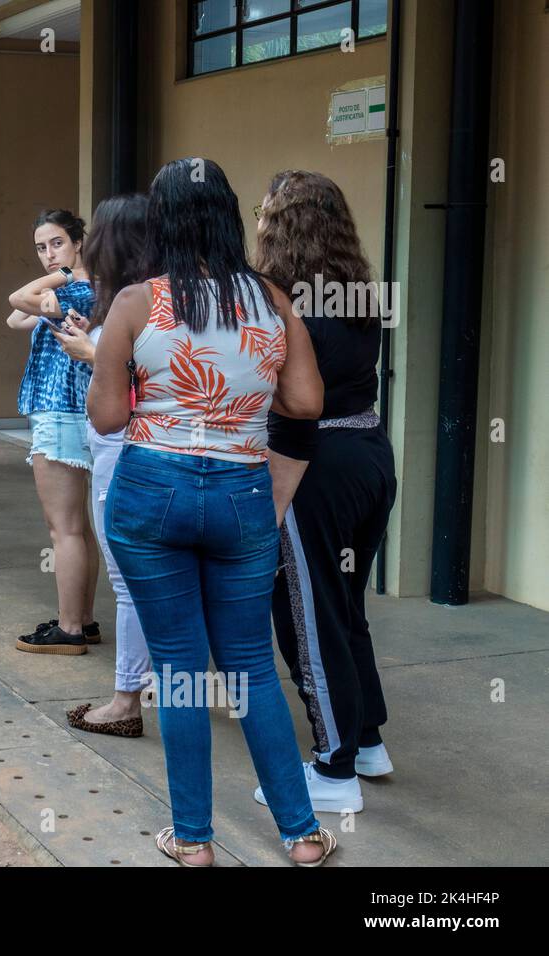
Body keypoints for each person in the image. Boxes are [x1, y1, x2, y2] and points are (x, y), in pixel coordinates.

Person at [88, 157, 333, 866]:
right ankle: (303, 835)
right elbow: (307, 404)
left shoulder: (137, 303)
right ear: (229, 215)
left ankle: (193, 842)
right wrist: (239, 400)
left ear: (161, 220)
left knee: (180, 669)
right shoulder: (273, 300)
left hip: (150, 490)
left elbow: (105, 418)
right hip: (242, 491)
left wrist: (155, 389)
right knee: (252, 665)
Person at [255, 170, 398, 814]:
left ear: (287, 225)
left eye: (265, 213)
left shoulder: (293, 305)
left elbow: (284, 397)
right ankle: (365, 740)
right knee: (343, 608)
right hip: (368, 454)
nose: (257, 222)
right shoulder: (355, 292)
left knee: (307, 617)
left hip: (315, 465)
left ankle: (334, 770)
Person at [34, 197, 153, 733]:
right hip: (182, 458)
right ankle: (166, 683)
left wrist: (91, 353)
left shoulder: (130, 301)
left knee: (128, 579)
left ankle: (126, 702)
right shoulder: (167, 297)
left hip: (124, 451)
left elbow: (110, 411)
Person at [6, 210, 101, 655]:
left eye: (58, 243)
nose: (48, 254)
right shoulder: (91, 289)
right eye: (42, 247)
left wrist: (58, 276)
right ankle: (82, 618)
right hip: (75, 414)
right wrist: (48, 292)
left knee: (63, 529)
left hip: (60, 412)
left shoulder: (78, 287)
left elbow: (16, 296)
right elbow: (16, 318)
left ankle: (69, 628)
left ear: (79, 242)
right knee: (79, 527)